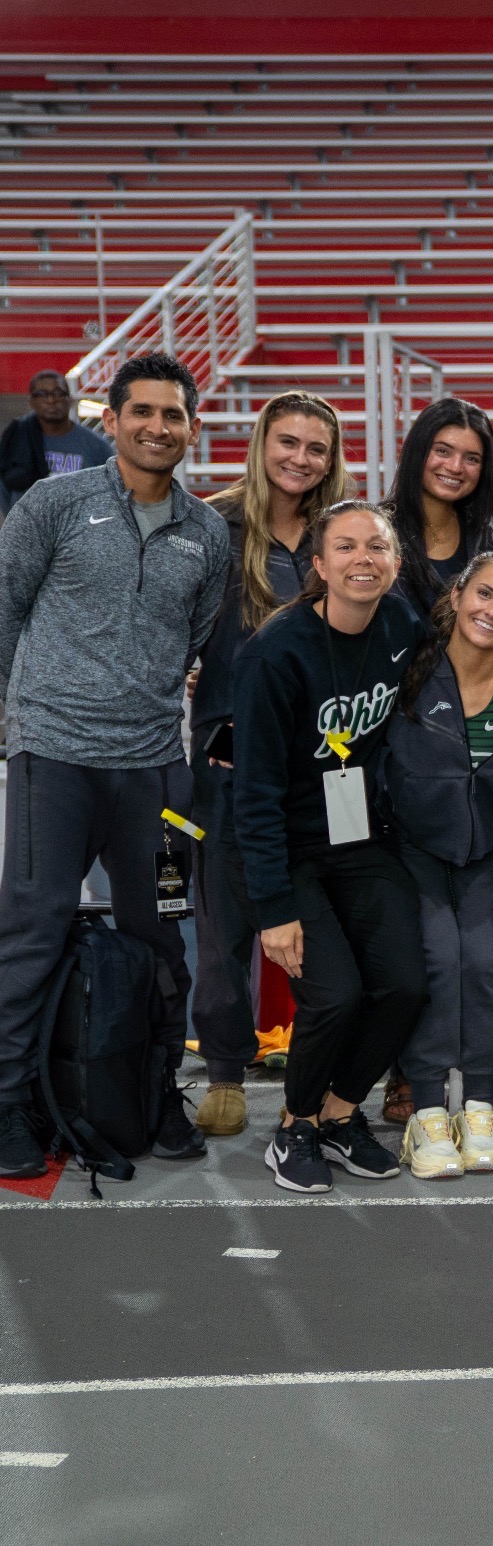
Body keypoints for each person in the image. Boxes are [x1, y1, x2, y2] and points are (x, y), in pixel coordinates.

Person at [0, 352, 229, 1179]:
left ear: (191, 427)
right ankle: (7, 1105)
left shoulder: (206, 534)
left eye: (174, 416)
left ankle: (155, 1092)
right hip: (52, 763)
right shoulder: (54, 504)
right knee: (29, 935)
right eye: (143, 413)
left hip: (155, 777)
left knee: (165, 940)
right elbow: (4, 609)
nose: (158, 427)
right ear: (114, 421)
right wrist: (11, 722)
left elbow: (198, 640)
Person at [232, 501, 429, 1193]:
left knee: (405, 981)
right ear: (318, 565)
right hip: (286, 848)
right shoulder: (273, 654)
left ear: (396, 563)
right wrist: (273, 907)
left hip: (356, 837)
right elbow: (251, 792)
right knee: (335, 995)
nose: (362, 559)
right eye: (344, 547)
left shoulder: (403, 625)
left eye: (376, 547)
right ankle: (293, 1128)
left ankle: (340, 1116)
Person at [189, 392, 354, 1138]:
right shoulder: (208, 523)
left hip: (326, 762)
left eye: (315, 448)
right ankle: (225, 1069)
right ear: (261, 445)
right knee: (224, 920)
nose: (300, 458)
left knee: (333, 921)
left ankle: (332, 1074)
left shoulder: (344, 533)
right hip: (228, 758)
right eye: (286, 442)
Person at [384, 548, 493, 1178]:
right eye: (484, 595)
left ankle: (479, 1103)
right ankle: (429, 1110)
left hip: (490, 853)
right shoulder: (406, 673)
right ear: (456, 595)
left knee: (481, 963)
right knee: (435, 959)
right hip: (413, 849)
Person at [387, 397, 493, 615]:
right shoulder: (378, 530)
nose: (455, 467)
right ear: (418, 451)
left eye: (472, 459)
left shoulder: (482, 538)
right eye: (443, 451)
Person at [0, 370, 113, 516]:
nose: (51, 400)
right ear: (31, 401)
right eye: (41, 394)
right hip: (29, 531)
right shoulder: (17, 439)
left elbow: (110, 493)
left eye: (58, 393)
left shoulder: (97, 446)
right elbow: (3, 486)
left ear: (70, 400)